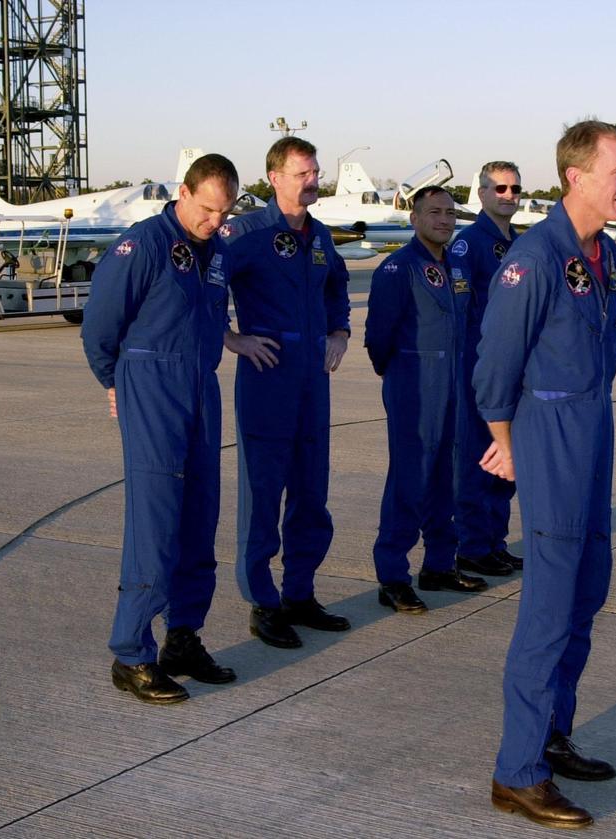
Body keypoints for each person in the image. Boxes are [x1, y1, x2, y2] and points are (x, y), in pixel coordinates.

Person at [474, 120, 616, 828]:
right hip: (550, 434)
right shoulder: (534, 258)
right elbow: (494, 366)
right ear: (577, 176)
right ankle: (518, 771)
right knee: (548, 602)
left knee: (586, 587)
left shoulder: (603, 254)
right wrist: (508, 442)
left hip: (593, 427)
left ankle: (552, 730)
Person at [81, 153, 240, 705]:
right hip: (151, 385)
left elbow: (213, 320)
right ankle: (132, 652)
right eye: (207, 210)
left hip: (201, 387)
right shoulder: (143, 244)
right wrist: (116, 383)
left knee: (200, 517)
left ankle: (183, 637)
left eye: (224, 212)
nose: (215, 222)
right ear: (184, 192)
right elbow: (100, 325)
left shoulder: (216, 250)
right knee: (155, 521)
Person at [218, 137, 352, 649]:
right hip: (267, 376)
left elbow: (336, 286)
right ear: (274, 178)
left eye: (315, 172)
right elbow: (206, 287)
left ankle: (300, 592)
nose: (313, 180)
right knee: (263, 491)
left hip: (311, 381)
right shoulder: (247, 232)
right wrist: (232, 338)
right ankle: (262, 601)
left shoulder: (319, 237)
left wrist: (338, 332)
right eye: (302, 173)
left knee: (311, 492)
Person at [364, 186, 488, 615]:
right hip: (413, 383)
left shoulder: (455, 265)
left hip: (452, 380)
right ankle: (392, 576)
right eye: (434, 212)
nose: (444, 220)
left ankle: (438, 564)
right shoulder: (398, 268)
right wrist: (400, 375)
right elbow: (378, 337)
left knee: (445, 477)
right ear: (414, 218)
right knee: (409, 479)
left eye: (451, 213)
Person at [450, 161, 524, 578]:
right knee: (479, 458)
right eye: (499, 188)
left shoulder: (521, 243)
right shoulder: (469, 244)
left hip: (515, 369)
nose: (508, 196)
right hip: (479, 367)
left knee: (507, 461)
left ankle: (494, 542)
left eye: (514, 188)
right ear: (481, 193)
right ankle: (473, 546)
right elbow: (460, 311)